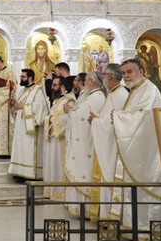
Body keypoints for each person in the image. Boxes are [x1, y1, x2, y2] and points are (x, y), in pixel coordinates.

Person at [108, 59, 161, 241]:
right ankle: (134, 229)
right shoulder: (136, 90)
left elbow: (144, 116)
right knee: (135, 191)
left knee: (146, 190)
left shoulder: (149, 90)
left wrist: (117, 116)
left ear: (141, 72)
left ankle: (150, 232)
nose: (126, 76)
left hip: (148, 152)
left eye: (130, 72)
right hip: (138, 150)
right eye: (123, 73)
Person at [88, 63, 128, 221]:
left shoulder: (120, 95)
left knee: (110, 178)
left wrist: (95, 121)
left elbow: (114, 123)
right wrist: (98, 120)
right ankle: (104, 214)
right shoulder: (113, 94)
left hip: (113, 148)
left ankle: (110, 216)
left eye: (104, 74)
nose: (103, 77)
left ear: (110, 76)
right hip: (107, 145)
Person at [65, 71, 105, 218]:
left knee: (85, 173)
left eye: (86, 80)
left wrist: (69, 111)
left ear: (92, 82)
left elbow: (81, 118)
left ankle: (86, 208)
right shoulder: (98, 96)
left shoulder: (94, 98)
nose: (84, 83)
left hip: (87, 144)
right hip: (91, 141)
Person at [8, 69, 48, 179]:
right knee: (20, 149)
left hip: (29, 128)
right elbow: (18, 107)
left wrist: (23, 106)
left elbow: (40, 108)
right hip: (20, 127)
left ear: (30, 78)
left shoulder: (37, 90)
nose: (21, 79)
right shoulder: (22, 91)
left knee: (28, 150)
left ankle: (28, 174)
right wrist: (14, 105)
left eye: (23, 77)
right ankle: (18, 171)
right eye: (21, 77)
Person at [42, 76, 75, 200]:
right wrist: (49, 119)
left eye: (54, 85)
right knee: (52, 164)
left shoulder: (70, 100)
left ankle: (60, 193)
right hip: (53, 138)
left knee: (59, 165)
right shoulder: (58, 100)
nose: (52, 87)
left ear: (62, 86)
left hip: (61, 140)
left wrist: (51, 120)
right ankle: (51, 191)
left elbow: (68, 119)